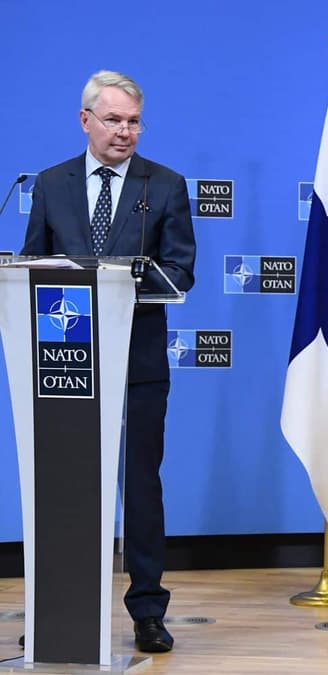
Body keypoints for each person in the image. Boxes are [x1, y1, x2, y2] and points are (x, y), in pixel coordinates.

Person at [20, 70, 196, 652]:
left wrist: (124, 282)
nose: (125, 132)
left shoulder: (165, 185)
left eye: (134, 121)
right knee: (64, 482)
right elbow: (30, 266)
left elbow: (180, 271)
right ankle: (61, 605)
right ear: (85, 120)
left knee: (141, 484)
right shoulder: (50, 184)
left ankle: (147, 610)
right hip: (63, 360)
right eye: (114, 119)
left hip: (138, 357)